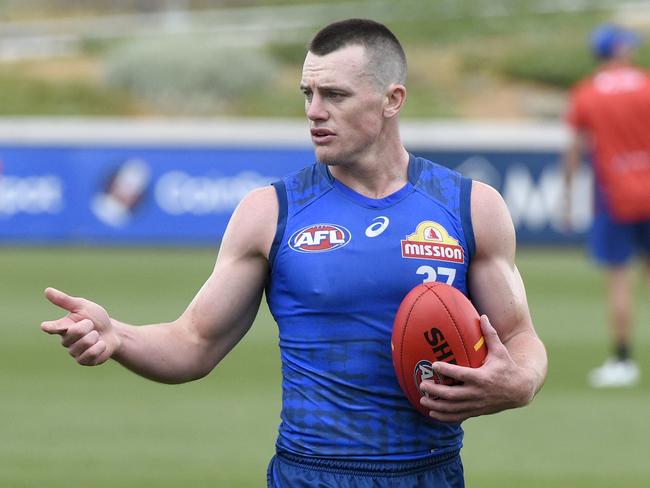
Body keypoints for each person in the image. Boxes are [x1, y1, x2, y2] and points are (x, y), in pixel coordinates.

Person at [42, 18, 547, 487]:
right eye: (307, 93)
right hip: (309, 474)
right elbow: (193, 343)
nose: (314, 111)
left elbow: (519, 335)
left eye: (334, 95)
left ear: (392, 99)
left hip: (430, 473)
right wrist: (118, 336)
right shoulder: (271, 212)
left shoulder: (470, 205)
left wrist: (519, 382)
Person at [563, 23, 650, 389]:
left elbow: (575, 148)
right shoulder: (646, 84)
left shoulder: (586, 93)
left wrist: (567, 196)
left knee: (618, 279)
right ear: (619, 50)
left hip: (616, 195)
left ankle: (622, 360)